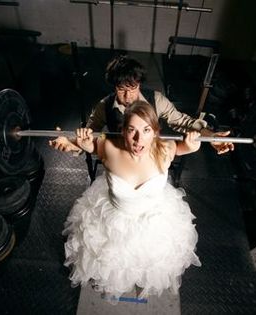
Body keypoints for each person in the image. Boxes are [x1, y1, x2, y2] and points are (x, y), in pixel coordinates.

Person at [62, 100, 202, 302]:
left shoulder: (166, 149)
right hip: (113, 222)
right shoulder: (108, 148)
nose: (138, 139)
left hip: (155, 220)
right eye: (131, 130)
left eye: (146, 130)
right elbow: (89, 145)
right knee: (113, 262)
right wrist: (80, 143)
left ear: (155, 131)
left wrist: (191, 145)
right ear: (123, 131)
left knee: (149, 260)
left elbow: (184, 147)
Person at [50, 55, 234, 155]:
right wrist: (73, 143)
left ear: (139, 84)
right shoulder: (104, 106)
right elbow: (88, 134)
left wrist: (211, 136)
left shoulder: (157, 99)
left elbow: (184, 122)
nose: (128, 95)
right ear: (114, 86)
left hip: (150, 153)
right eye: (122, 89)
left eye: (133, 88)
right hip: (119, 155)